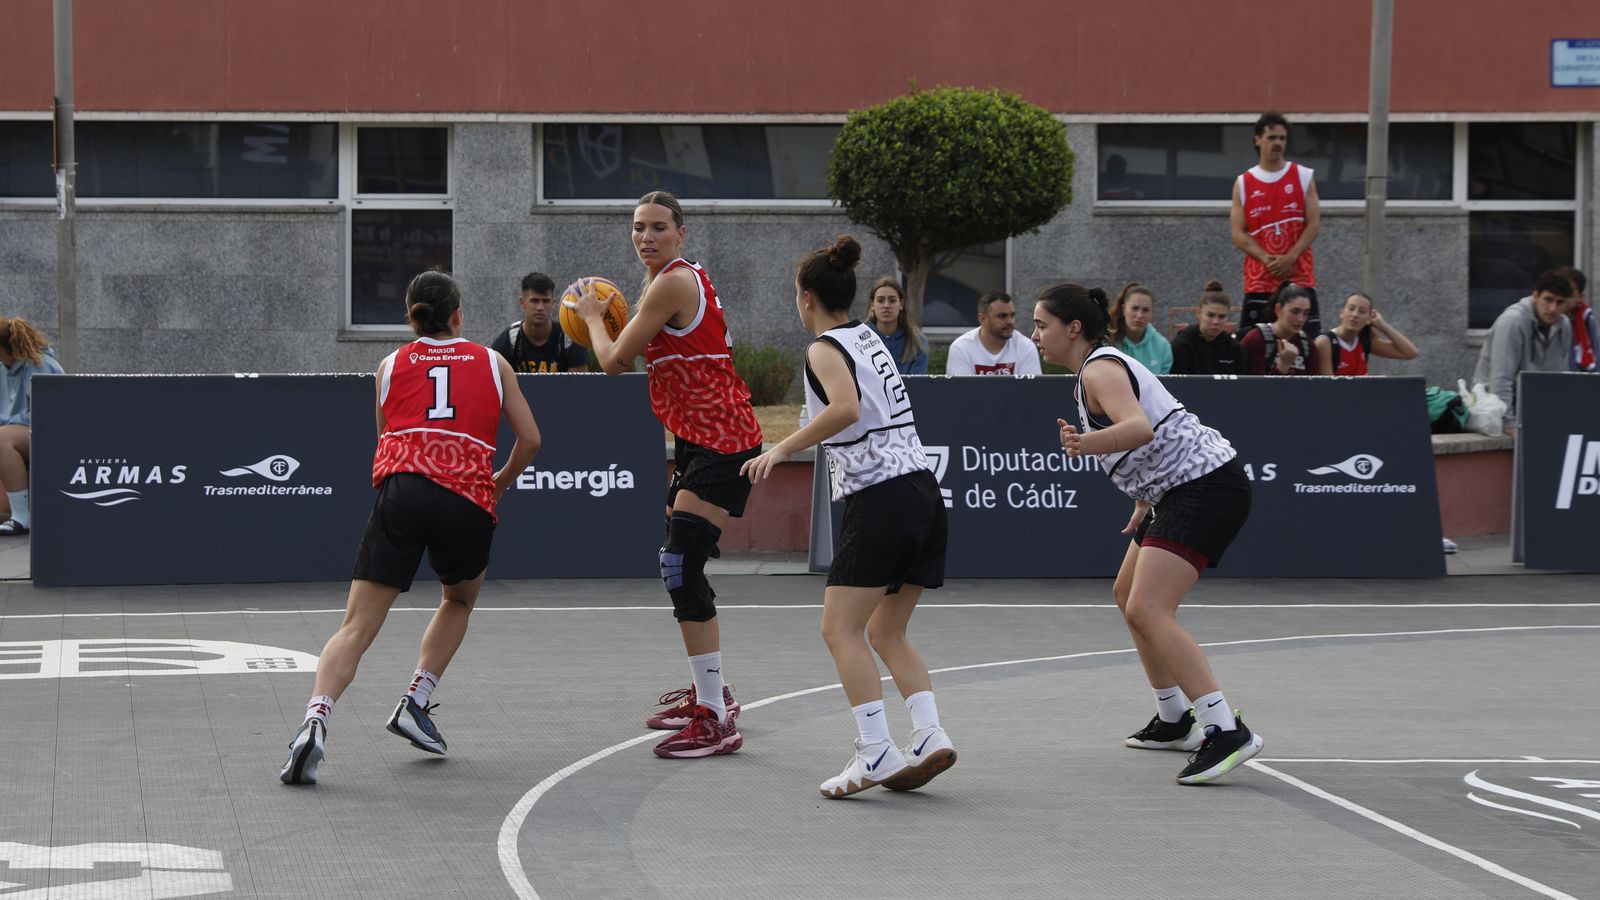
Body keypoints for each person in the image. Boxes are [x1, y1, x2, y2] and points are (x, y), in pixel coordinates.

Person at [280, 269, 542, 785]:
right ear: (459, 316)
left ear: (411, 318)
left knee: (354, 627)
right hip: (466, 497)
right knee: (459, 599)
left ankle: (315, 721)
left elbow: (386, 440)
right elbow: (530, 440)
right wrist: (500, 483)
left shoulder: (390, 365)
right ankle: (416, 700)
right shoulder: (492, 361)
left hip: (403, 492)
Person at [742, 236, 953, 798]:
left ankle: (876, 751)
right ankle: (929, 736)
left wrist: (783, 448)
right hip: (924, 493)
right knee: (887, 629)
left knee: (840, 629)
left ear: (805, 298)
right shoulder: (871, 339)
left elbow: (846, 409)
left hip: (880, 495)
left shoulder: (823, 349)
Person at [1031, 282, 1261, 785]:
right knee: (1125, 595)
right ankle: (1173, 719)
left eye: (1042, 325)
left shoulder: (1100, 368)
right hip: (1175, 491)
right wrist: (1141, 496)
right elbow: (1157, 425)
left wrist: (1088, 443)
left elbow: (1138, 427)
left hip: (1204, 488)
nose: (1035, 335)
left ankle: (1225, 728)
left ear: (1073, 329)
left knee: (1148, 609)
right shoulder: (1095, 369)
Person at [576, 190, 762, 759]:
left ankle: (715, 716)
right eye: (638, 228)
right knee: (679, 562)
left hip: (723, 441)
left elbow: (612, 363)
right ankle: (712, 694)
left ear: (681, 233)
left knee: (681, 566)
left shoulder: (672, 283)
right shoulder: (673, 281)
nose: (645, 237)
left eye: (658, 227)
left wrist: (590, 319)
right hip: (698, 440)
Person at [1231, 112, 1322, 337]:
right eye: (1272, 138)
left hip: (1299, 278)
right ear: (1257, 140)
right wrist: (1266, 258)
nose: (1278, 143)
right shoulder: (1244, 182)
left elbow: (1314, 224)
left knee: (1306, 346)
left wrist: (1291, 257)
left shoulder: (1302, 176)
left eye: (1282, 138)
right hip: (1259, 282)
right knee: (1253, 347)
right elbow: (1237, 233)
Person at [1472, 270, 1575, 435]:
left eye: (1560, 302)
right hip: (1494, 412)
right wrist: (1508, 423)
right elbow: (1501, 378)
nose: (1553, 308)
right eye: (1548, 300)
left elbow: (1560, 378)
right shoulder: (1512, 322)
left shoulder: (1564, 326)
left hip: (1534, 412)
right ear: (1535, 296)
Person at [0, 317, 64, 536]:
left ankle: (21, 515)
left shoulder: (41, 366)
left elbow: (46, 415)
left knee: (2, 439)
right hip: (18, 431)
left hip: (49, 433)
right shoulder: (2, 369)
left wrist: (8, 422)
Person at [490, 272, 591, 373]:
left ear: (553, 303)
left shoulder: (568, 337)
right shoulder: (510, 339)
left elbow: (579, 385)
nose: (540, 308)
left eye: (546, 301)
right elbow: (493, 380)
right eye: (534, 301)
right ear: (522, 302)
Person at [1311, 292, 1420, 376]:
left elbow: (1410, 353)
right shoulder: (1325, 342)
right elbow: (1327, 389)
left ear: (1369, 318)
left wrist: (1382, 325)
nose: (1355, 315)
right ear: (1342, 313)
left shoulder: (1364, 341)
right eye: (1351, 308)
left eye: (1362, 311)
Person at [944, 291, 1042, 376]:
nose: (1010, 321)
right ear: (982, 319)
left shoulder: (1025, 346)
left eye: (1012, 315)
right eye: (1002, 316)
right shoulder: (961, 348)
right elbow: (961, 393)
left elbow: (1030, 392)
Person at [1238, 283, 1324, 376]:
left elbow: (1315, 386)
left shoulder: (1307, 345)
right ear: (1278, 309)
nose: (1301, 319)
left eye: (1306, 313)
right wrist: (1284, 365)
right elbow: (1252, 387)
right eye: (1295, 312)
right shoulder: (1255, 339)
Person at [1169, 281, 1243, 376]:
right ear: (1198, 313)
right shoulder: (1182, 345)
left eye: (1222, 316)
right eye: (1210, 315)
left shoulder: (1234, 348)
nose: (1216, 321)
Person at [867, 276, 929, 374]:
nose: (886, 305)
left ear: (901, 304)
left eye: (892, 300)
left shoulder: (918, 342)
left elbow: (918, 386)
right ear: (872, 305)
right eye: (880, 300)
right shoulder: (859, 340)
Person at [1108, 283, 1172, 374]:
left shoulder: (1163, 347)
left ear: (1152, 313)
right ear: (1123, 309)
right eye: (1134, 308)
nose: (1139, 315)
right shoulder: (1107, 342)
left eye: (1145, 310)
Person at [1558, 266, 1595, 372]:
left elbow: (1596, 355)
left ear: (1580, 298)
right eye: (1560, 291)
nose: (1562, 298)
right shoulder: (1545, 318)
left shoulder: (1586, 319)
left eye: (1569, 294)